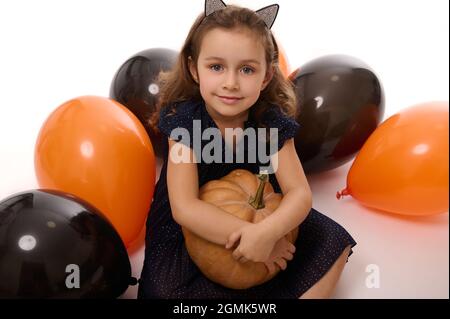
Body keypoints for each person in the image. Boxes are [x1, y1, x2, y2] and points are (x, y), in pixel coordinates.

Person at [138, 0, 356, 299]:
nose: (231, 83)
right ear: (194, 68)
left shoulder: (271, 123)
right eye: (216, 67)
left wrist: (267, 234)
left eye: (247, 70)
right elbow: (185, 208)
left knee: (333, 240)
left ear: (266, 75)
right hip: (191, 228)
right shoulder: (184, 123)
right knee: (166, 293)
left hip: (262, 213)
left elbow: (299, 193)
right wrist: (251, 240)